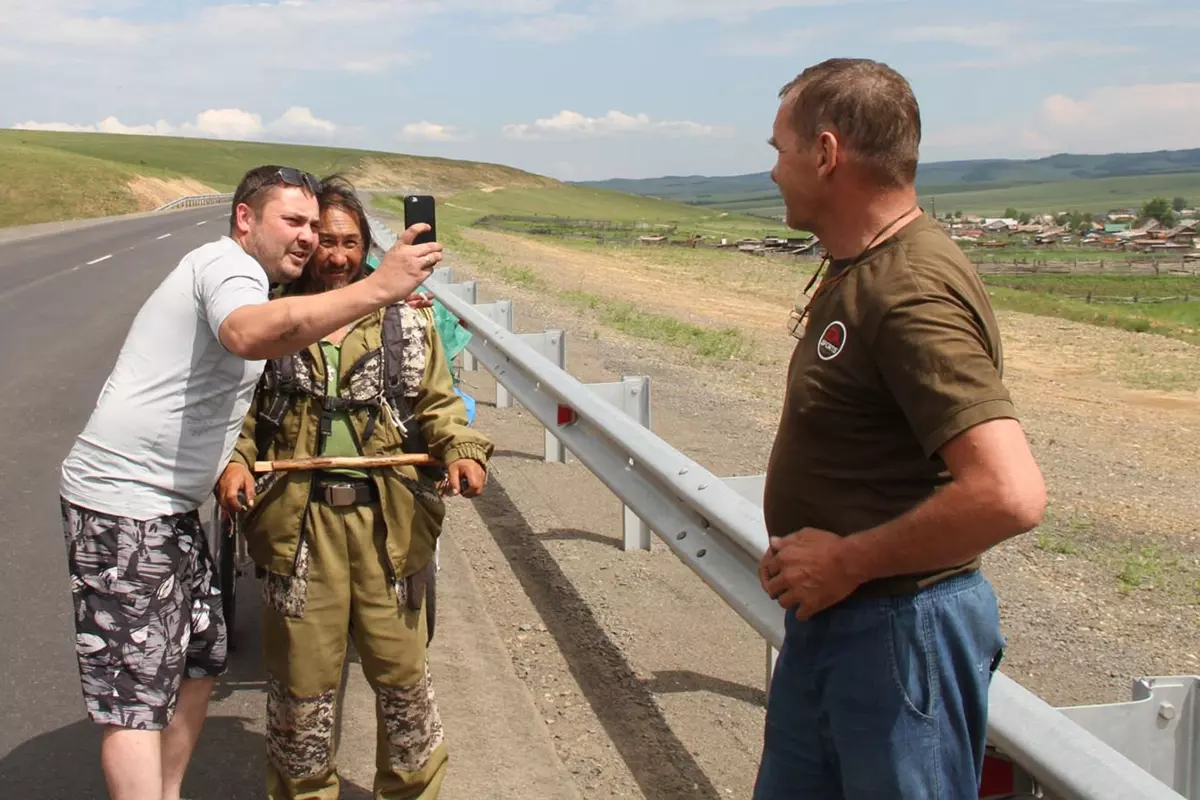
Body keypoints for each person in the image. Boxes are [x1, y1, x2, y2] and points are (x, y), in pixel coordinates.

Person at [58, 164, 445, 800]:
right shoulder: (230, 270)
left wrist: (387, 304)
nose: (310, 240)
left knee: (199, 661)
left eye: (317, 227)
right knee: (137, 694)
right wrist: (379, 288)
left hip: (174, 509)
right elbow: (246, 335)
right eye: (295, 222)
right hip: (126, 503)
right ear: (245, 218)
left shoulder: (280, 292)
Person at [754, 58, 1047, 799]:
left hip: (896, 634)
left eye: (780, 150)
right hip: (844, 622)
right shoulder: (864, 266)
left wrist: (848, 560)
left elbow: (1009, 493)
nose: (774, 171)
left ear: (826, 153)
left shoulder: (910, 288)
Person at [214, 175, 493, 800]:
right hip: (297, 529)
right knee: (301, 692)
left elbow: (440, 406)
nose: (337, 256)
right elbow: (240, 417)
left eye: (350, 242)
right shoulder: (270, 318)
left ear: (368, 247)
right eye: (325, 241)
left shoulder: (410, 319)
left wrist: (463, 452)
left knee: (404, 686)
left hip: (391, 529)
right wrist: (235, 463)